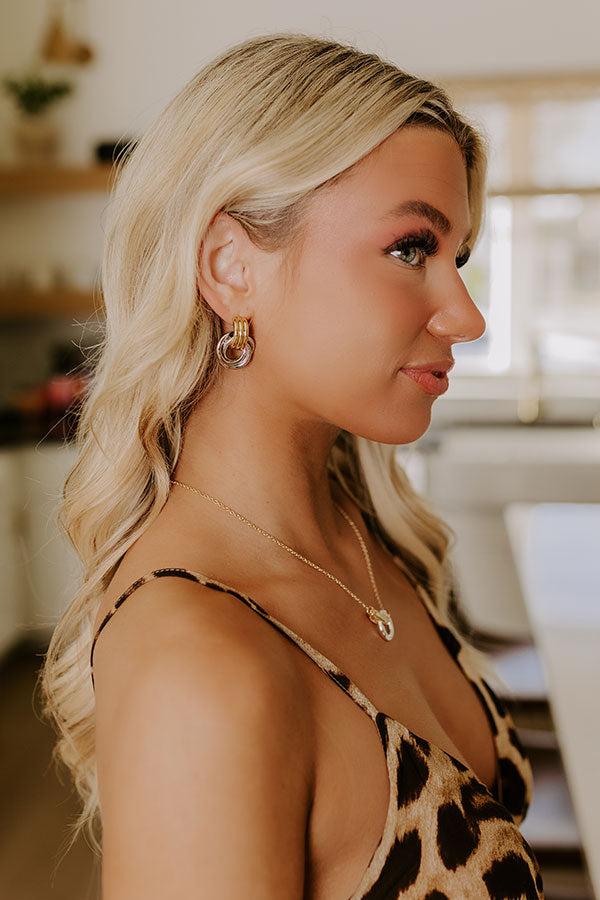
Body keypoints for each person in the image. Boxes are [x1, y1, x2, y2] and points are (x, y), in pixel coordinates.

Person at [40, 31, 544, 899]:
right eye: (411, 248)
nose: (466, 317)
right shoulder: (200, 664)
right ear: (230, 267)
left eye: (457, 258)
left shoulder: (360, 530)